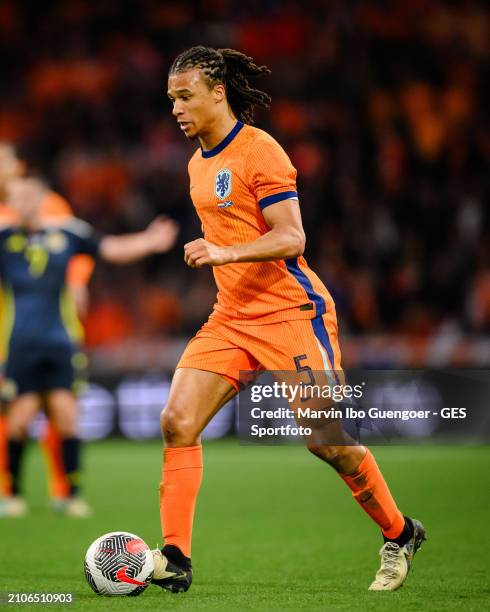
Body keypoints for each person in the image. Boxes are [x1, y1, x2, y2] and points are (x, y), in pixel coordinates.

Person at [151, 46, 425, 594]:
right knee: (177, 423)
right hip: (231, 317)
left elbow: (292, 237)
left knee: (326, 441)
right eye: (171, 99)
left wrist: (224, 254)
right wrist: (224, 266)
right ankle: (176, 558)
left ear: (217, 92)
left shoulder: (260, 151)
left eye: (185, 96)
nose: (177, 109)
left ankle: (400, 532)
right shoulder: (196, 163)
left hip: (291, 313)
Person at [0, 175, 178, 517]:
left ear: (40, 199)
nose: (19, 204)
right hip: (20, 346)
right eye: (14, 198)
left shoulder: (67, 233)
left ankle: (71, 494)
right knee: (19, 421)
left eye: (25, 197)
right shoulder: (4, 240)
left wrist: (150, 241)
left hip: (60, 342)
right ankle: (14, 494)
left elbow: (110, 249)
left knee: (67, 417)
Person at [0, 142, 94, 509]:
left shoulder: (49, 204)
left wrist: (78, 281)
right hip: (12, 322)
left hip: (51, 322)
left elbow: (74, 249)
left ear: (18, 165)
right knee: (13, 412)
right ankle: (10, 489)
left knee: (60, 408)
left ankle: (63, 487)